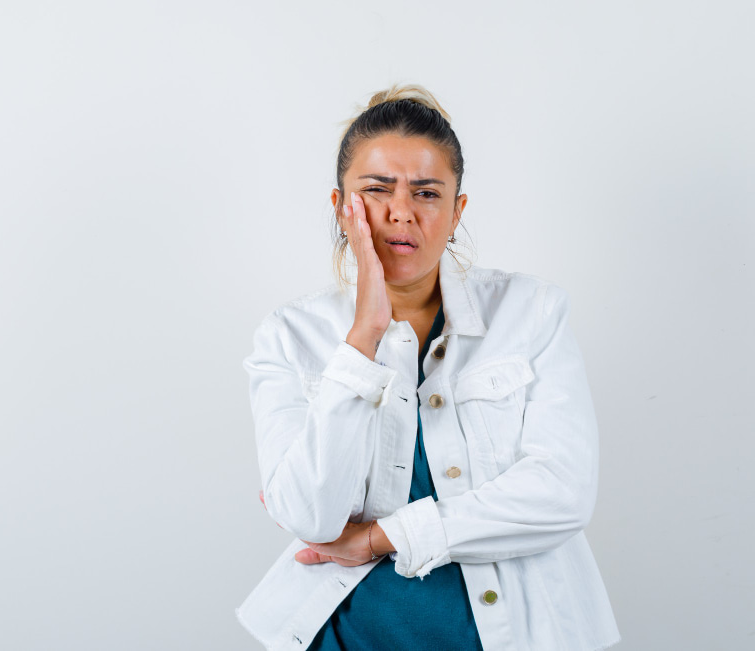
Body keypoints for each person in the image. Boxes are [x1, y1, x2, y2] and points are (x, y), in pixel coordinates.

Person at [236, 84, 620, 651]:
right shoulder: (289, 336)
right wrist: (362, 340)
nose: (400, 212)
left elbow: (561, 491)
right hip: (350, 634)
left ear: (457, 208)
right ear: (344, 205)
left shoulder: (532, 313)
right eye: (376, 189)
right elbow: (310, 518)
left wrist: (380, 537)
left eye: (426, 192)